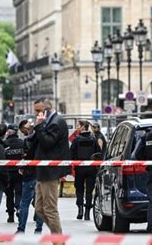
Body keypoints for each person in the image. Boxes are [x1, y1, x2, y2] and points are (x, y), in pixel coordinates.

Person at [31, 98, 70, 234]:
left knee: (49, 208)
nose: (36, 113)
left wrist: (39, 126)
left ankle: (58, 239)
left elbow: (48, 142)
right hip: (43, 170)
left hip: (50, 171)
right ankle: (57, 235)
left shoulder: (56, 123)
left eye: (38, 111)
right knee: (39, 208)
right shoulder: (48, 122)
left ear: (47, 109)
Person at [16, 119, 44, 234]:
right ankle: (38, 229)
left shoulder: (28, 141)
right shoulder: (41, 138)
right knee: (39, 204)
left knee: (25, 203)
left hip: (30, 175)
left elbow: (26, 157)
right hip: (40, 174)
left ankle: (21, 229)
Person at [70, 120, 101, 220]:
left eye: (79, 126)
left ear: (83, 127)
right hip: (91, 168)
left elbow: (71, 154)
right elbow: (98, 153)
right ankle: (87, 212)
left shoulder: (76, 140)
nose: (77, 128)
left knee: (79, 189)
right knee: (89, 190)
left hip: (79, 168)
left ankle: (80, 210)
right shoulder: (94, 139)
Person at [3, 124, 24, 223]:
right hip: (19, 172)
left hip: (7, 173)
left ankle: (10, 215)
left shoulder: (4, 144)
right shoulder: (21, 143)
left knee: (9, 194)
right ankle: (19, 208)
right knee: (19, 192)